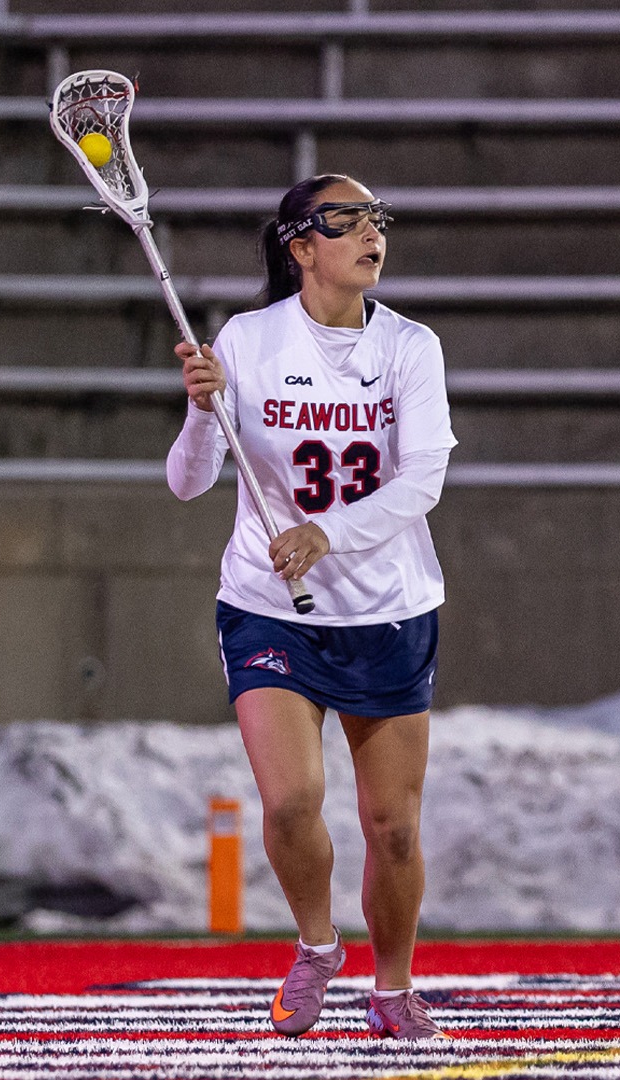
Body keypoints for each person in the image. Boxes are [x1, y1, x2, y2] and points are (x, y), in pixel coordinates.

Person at [167, 174, 459, 1039]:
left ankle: (393, 989)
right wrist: (200, 413)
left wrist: (327, 533)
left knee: (392, 828)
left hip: (387, 610)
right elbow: (187, 483)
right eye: (348, 221)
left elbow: (424, 482)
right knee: (292, 801)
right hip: (269, 607)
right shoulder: (248, 340)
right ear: (300, 246)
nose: (372, 235)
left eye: (378, 219)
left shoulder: (410, 347)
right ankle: (318, 945)